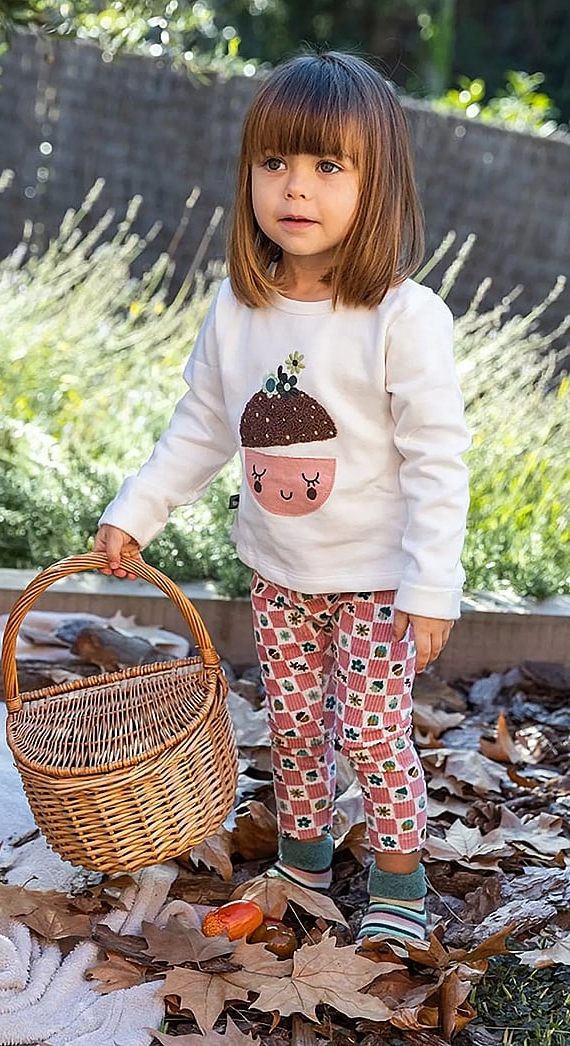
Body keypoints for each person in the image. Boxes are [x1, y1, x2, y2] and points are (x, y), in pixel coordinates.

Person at [93, 50, 469, 944]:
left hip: (377, 577)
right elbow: (200, 428)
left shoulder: (401, 318)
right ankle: (302, 857)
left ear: (374, 183)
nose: (296, 189)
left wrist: (430, 586)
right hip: (280, 573)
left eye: (327, 167)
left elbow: (437, 458)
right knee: (295, 725)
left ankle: (400, 880)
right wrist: (135, 511)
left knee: (372, 732)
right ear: (249, 175)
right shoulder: (239, 308)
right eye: (275, 165)